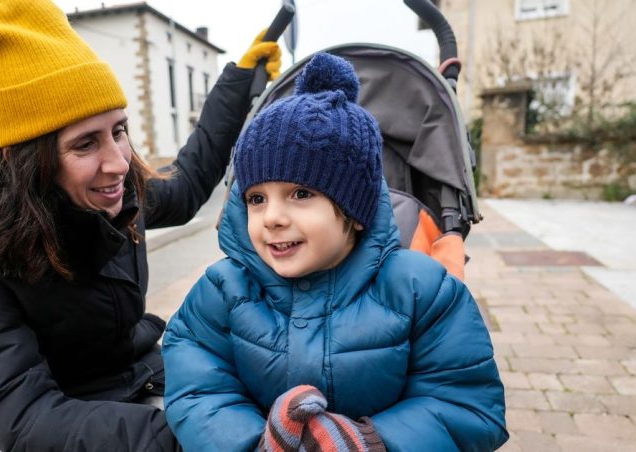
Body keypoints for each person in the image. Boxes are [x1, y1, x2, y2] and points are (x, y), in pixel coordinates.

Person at [0, 0, 281, 449]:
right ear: (29, 162)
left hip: (150, 379)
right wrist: (188, 436)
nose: (119, 163)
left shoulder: (114, 194)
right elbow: (21, 419)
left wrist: (238, 83)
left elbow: (187, 187)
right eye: (84, 144)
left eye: (118, 130)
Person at [162, 53, 508, 452]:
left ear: (354, 212)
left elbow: (468, 406)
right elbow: (197, 389)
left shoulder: (421, 290)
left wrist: (372, 442)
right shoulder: (224, 290)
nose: (272, 217)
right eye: (256, 198)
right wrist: (253, 443)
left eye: (300, 194)